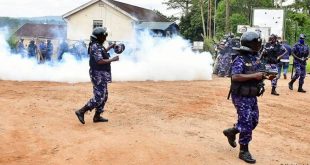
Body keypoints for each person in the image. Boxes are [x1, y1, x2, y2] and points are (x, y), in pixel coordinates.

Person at [223, 31, 274, 164]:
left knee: (253, 121)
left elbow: (257, 73)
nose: (259, 45)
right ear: (252, 44)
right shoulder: (240, 59)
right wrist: (254, 76)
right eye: (257, 43)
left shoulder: (254, 57)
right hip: (240, 96)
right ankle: (243, 151)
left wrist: (265, 76)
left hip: (252, 95)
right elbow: (235, 76)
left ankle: (232, 131)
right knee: (246, 124)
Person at [75, 27, 119, 124]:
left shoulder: (98, 45)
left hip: (102, 73)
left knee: (105, 96)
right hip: (98, 74)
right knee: (99, 96)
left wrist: (110, 47)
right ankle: (81, 111)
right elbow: (99, 60)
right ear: (99, 37)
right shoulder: (95, 46)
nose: (105, 38)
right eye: (104, 37)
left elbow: (101, 53)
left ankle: (97, 116)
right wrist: (113, 59)